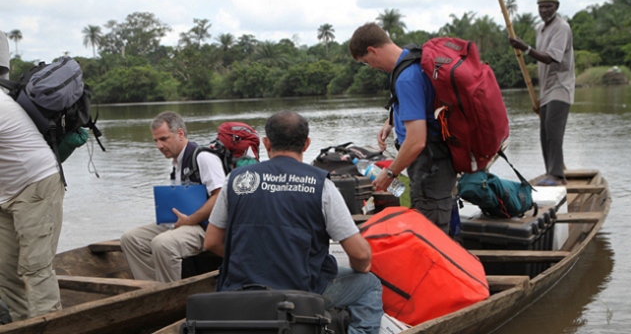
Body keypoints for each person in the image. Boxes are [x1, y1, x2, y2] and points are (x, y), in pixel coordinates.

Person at [204, 111, 383, 334]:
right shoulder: (320, 184)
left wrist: (257, 258)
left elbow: (211, 242)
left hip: (240, 291)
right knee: (369, 284)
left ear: (267, 143)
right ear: (306, 144)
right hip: (300, 293)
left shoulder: (236, 179)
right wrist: (361, 267)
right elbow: (360, 254)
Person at [349, 22, 457, 233]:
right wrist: (390, 122)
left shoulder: (406, 77)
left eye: (366, 61)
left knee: (431, 238)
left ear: (373, 50)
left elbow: (417, 141)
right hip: (433, 165)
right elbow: (417, 105)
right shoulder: (408, 60)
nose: (370, 66)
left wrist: (389, 173)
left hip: (430, 167)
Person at [120, 111, 226, 283]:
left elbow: (220, 196)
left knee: (163, 244)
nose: (159, 146)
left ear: (180, 134)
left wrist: (190, 220)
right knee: (130, 239)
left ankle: (168, 294)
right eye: (156, 141)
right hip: (183, 222)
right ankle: (151, 288)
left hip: (205, 227)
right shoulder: (176, 163)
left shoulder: (203, 157)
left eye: (164, 139)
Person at [0, 90, 65, 321]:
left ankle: (49, 325)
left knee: (35, 268)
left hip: (36, 187)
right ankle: (23, 325)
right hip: (5, 194)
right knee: (5, 269)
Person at [508, 0, 574, 186]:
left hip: (560, 87)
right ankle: (551, 172)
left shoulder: (562, 27)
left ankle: (557, 175)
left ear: (557, 7)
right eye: (541, 7)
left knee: (554, 131)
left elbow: (550, 58)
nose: (544, 10)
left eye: (548, 6)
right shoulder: (540, 29)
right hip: (546, 90)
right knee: (545, 134)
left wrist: (525, 48)